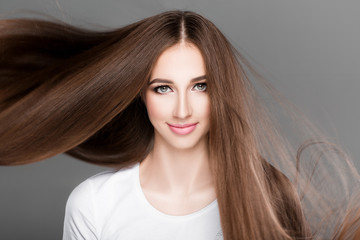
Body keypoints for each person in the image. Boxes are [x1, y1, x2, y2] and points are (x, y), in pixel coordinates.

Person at [0, 10, 359, 240]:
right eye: (163, 88)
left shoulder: (269, 195)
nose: (183, 109)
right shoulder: (94, 204)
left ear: (222, 92)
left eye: (200, 86)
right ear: (141, 94)